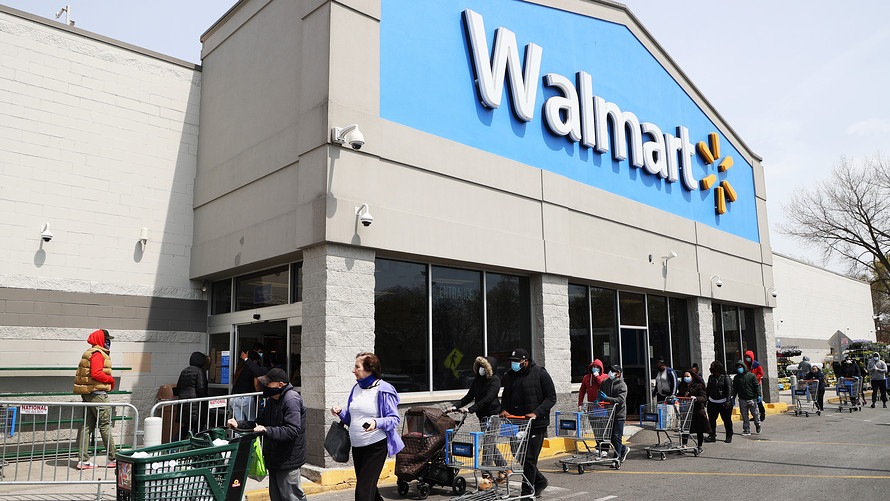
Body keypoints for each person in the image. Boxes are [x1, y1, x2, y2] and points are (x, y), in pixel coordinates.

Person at [331, 353, 404, 501]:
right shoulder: (356, 388)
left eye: (357, 367)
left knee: (363, 494)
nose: (353, 370)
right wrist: (341, 413)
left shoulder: (384, 389)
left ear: (370, 369)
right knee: (370, 490)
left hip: (375, 447)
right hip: (357, 447)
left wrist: (376, 423)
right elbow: (352, 419)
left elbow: (394, 419)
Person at [228, 368, 307, 501]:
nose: (265, 386)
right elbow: (259, 422)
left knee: (291, 496)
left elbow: (292, 430)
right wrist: (239, 424)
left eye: (268, 383)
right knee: (277, 496)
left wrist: (267, 430)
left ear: (280, 385)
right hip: (274, 457)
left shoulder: (291, 400)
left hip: (288, 459)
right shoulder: (272, 400)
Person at [500, 348, 556, 497]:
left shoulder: (540, 373)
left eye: (516, 361)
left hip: (535, 424)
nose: (513, 364)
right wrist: (504, 409)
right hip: (515, 423)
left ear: (525, 361)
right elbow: (505, 397)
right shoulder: (509, 376)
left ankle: (526, 494)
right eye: (511, 361)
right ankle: (540, 480)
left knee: (529, 459)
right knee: (518, 454)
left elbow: (551, 397)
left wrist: (536, 412)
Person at [449, 355, 505, 485]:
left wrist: (470, 409)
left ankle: (486, 476)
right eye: (479, 367)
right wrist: (455, 406)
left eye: (484, 367)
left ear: (489, 368)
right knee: (490, 444)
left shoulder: (495, 380)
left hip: (493, 416)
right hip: (483, 417)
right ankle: (504, 468)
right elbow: (469, 396)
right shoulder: (478, 380)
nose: (481, 369)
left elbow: (488, 399)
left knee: (488, 445)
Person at [73, 329, 118, 470]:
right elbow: (96, 373)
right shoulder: (98, 354)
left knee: (87, 426)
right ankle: (113, 458)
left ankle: (83, 460)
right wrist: (110, 380)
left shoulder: (90, 352)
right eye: (107, 340)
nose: (108, 342)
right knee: (105, 425)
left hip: (88, 394)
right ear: (101, 340)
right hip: (98, 395)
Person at [598, 364, 629, 464]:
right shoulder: (605, 382)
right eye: (610, 370)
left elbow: (620, 400)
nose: (610, 372)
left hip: (619, 414)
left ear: (618, 374)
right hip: (609, 414)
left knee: (617, 436)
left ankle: (617, 458)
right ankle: (623, 449)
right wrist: (598, 400)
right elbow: (600, 393)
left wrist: (606, 398)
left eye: (613, 371)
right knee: (610, 437)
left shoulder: (622, 385)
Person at [176, 351, 209, 438]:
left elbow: (178, 388)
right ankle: (195, 444)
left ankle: (174, 443)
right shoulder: (200, 371)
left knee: (186, 427)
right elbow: (202, 388)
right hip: (196, 405)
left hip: (184, 404)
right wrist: (207, 398)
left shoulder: (184, 371)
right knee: (198, 427)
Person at [677, 369, 710, 453]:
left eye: (688, 376)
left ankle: (699, 446)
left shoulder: (698, 386)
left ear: (692, 377)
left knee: (699, 429)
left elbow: (704, 397)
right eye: (685, 376)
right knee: (685, 428)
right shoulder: (682, 386)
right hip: (686, 410)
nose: (686, 378)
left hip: (697, 410)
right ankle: (684, 445)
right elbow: (680, 395)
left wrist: (696, 398)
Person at [705, 361, 733, 443]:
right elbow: (708, 389)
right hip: (712, 402)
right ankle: (712, 435)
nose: (711, 368)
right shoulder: (711, 377)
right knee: (712, 420)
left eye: (712, 367)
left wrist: (728, 401)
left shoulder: (725, 377)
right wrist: (706, 399)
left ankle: (729, 435)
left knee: (727, 420)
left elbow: (729, 389)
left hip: (723, 402)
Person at [232, 350, 263, 421]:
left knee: (239, 422)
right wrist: (259, 397)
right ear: (254, 360)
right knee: (251, 420)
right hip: (246, 398)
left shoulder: (240, 367)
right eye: (256, 360)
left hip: (234, 398)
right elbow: (256, 384)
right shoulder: (253, 369)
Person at [732, 360, 761, 436]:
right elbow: (735, 389)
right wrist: (733, 397)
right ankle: (746, 429)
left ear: (744, 367)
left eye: (741, 367)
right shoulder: (736, 378)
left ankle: (757, 424)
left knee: (755, 414)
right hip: (742, 399)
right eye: (738, 367)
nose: (739, 369)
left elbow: (757, 386)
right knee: (744, 416)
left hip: (752, 398)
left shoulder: (751, 376)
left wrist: (759, 395)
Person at [743, 350, 766, 421]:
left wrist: (755, 378)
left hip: (756, 384)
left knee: (758, 400)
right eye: (746, 357)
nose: (747, 358)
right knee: (751, 401)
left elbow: (761, 373)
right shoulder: (745, 364)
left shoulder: (756, 364)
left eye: (748, 357)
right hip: (749, 384)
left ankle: (762, 413)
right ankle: (755, 415)